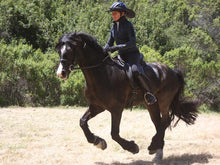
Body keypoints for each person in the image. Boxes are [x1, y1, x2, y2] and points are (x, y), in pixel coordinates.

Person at [104, 2, 157, 105]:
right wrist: (103, 50)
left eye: (115, 13)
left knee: (135, 71)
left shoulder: (128, 25)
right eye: (112, 13)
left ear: (122, 13)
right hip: (121, 56)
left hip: (132, 55)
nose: (113, 15)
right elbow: (109, 43)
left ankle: (148, 93)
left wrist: (116, 47)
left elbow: (132, 42)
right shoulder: (113, 27)